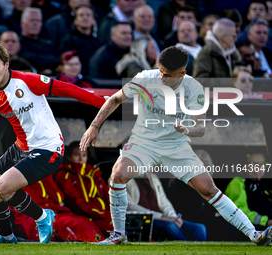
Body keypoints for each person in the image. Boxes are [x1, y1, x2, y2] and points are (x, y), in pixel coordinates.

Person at [80, 46, 272, 246]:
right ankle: (118, 235)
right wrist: (94, 127)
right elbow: (114, 99)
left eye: (168, 76)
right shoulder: (145, 78)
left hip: (176, 146)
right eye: (161, 72)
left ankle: (255, 235)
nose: (162, 78)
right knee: (118, 174)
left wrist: (187, 129)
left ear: (182, 73)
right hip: (144, 142)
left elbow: (201, 128)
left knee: (208, 189)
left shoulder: (194, 88)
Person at [0, 42, 107, 244]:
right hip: (21, 147)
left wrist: (103, 103)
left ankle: (42, 216)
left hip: (48, 148)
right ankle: (6, 237)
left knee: (3, 189)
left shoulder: (27, 81)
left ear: (6, 64)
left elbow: (67, 89)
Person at [127, 172, 207, 241]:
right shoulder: (122, 179)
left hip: (164, 218)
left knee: (200, 228)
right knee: (170, 226)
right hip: (145, 221)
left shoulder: (151, 176)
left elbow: (164, 201)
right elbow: (130, 207)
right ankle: (188, 250)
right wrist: (161, 217)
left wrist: (174, 217)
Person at [55, 141, 113, 236]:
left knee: (119, 226)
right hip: (83, 214)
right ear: (69, 157)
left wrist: (112, 212)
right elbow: (75, 200)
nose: (81, 158)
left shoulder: (93, 173)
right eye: (77, 155)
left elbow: (107, 194)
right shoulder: (64, 175)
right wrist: (98, 213)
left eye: (84, 155)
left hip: (100, 213)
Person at [225, 151, 272, 231]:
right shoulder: (238, 182)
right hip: (255, 229)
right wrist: (266, 221)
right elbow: (238, 210)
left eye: (260, 164)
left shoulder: (266, 184)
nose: (256, 167)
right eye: (252, 163)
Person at [59, 4, 101, 76]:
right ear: (75, 20)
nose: (85, 18)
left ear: (93, 20)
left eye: (88, 15)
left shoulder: (98, 42)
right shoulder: (68, 40)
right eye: (81, 15)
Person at [19, 7, 59, 75]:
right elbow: (27, 59)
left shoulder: (48, 43)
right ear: (22, 23)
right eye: (31, 20)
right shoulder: (17, 42)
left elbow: (57, 59)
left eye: (38, 21)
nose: (35, 24)